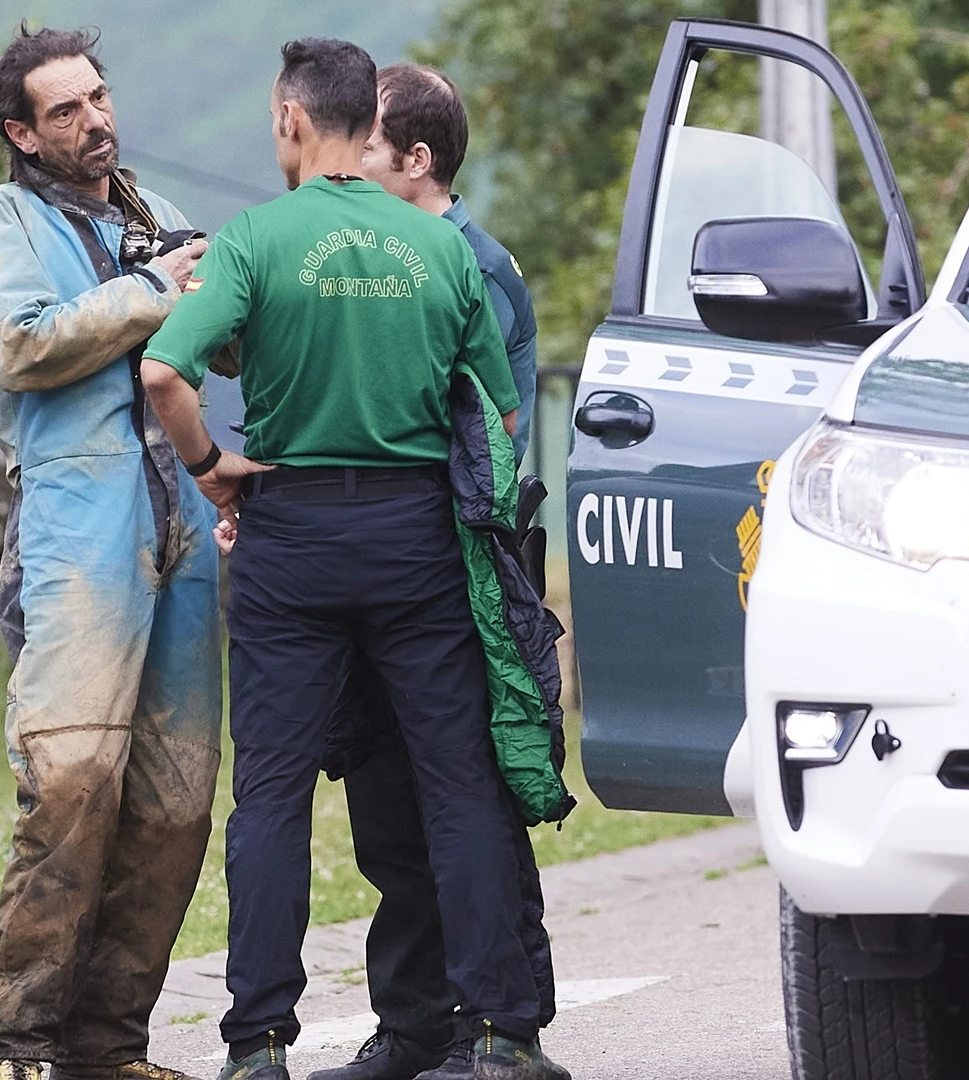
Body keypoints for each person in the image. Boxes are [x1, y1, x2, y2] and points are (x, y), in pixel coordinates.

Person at [139, 38, 563, 1080]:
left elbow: (162, 374)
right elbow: (497, 412)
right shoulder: (443, 249)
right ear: (361, 126)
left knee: (273, 795)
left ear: (291, 119)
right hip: (419, 539)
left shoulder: (253, 242)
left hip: (291, 538)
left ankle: (256, 1047)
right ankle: (506, 1035)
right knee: (458, 785)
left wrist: (212, 468)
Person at [0, 26, 221, 1080]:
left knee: (176, 799)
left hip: (181, 525)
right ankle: (22, 1042)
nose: (95, 120)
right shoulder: (1, 222)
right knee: (71, 781)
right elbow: (15, 344)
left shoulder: (160, 219)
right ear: (23, 132)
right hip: (73, 520)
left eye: (98, 98)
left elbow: (228, 335)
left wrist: (228, 287)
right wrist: (159, 293)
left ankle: (110, 1048)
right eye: (66, 110)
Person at [305, 63, 559, 1080]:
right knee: (386, 805)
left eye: (363, 147)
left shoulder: (474, 266)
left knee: (472, 805)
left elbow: (485, 432)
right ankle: (413, 1023)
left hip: (456, 568)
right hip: (371, 563)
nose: (346, 166)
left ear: (416, 159)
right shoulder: (367, 255)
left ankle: (503, 1028)